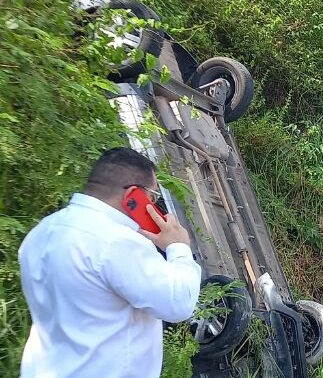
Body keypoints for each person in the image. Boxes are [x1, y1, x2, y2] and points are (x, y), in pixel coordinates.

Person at [18, 147, 202, 378]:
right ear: (133, 196)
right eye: (153, 197)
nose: (154, 206)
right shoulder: (116, 241)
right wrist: (178, 247)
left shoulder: (42, 231)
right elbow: (179, 302)